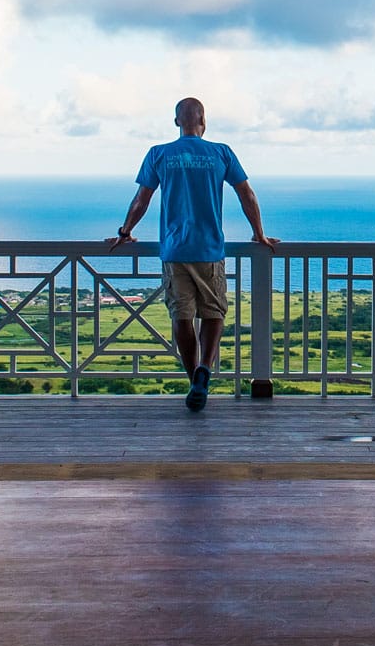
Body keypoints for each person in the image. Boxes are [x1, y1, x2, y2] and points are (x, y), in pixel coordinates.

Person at [105, 98, 277, 411]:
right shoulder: (221, 152)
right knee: (213, 314)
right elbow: (246, 194)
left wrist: (125, 231)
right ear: (204, 120)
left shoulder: (159, 154)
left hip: (173, 251)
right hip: (209, 249)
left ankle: (193, 378)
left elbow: (141, 198)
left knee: (181, 316)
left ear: (176, 122)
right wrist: (258, 234)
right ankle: (204, 370)